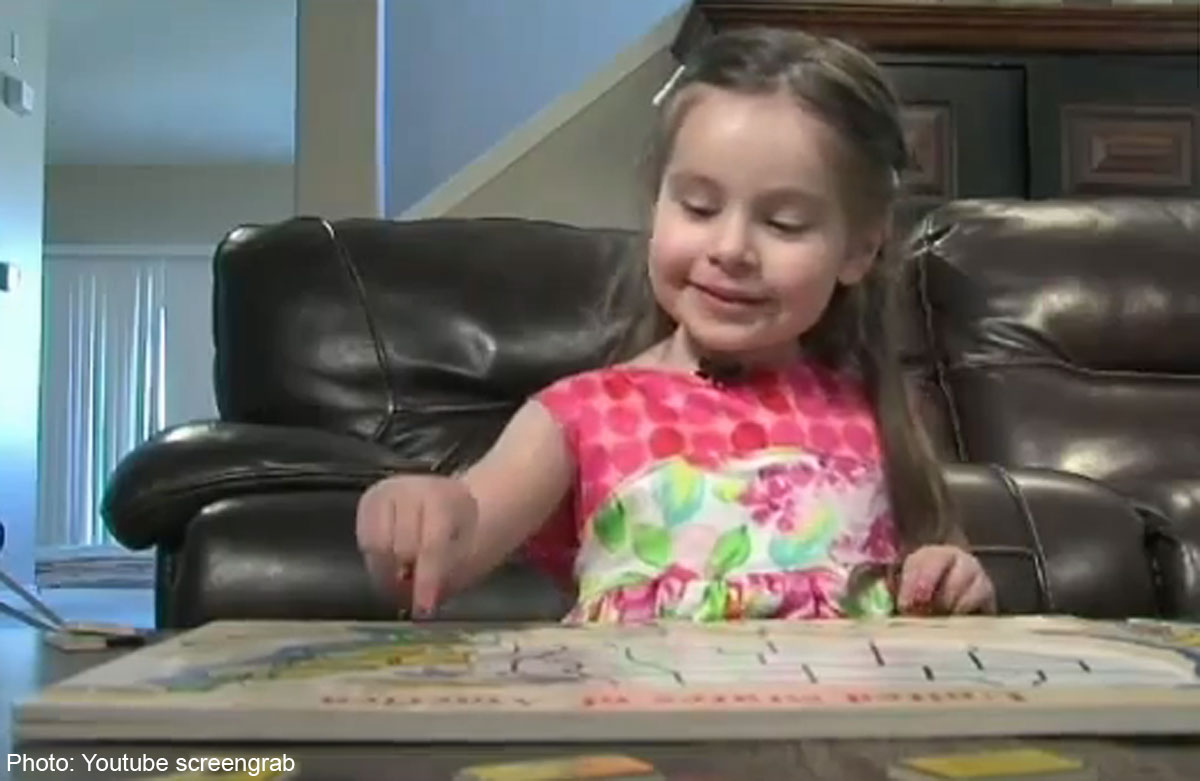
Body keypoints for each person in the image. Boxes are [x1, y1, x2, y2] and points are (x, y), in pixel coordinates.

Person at [357, 27, 996, 623]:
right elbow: (450, 544)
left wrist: (952, 579)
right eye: (699, 207)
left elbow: (941, 580)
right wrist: (415, 514)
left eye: (784, 224)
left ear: (859, 249)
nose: (731, 249)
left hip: (846, 709)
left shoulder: (879, 413)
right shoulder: (578, 415)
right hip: (641, 712)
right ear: (657, 205)